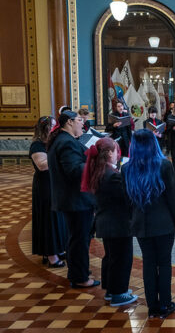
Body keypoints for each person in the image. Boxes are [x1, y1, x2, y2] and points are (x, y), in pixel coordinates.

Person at [122, 129, 175, 318]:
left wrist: (131, 220)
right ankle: (165, 304)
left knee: (148, 263)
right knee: (164, 263)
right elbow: (172, 197)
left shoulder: (126, 168)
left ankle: (152, 307)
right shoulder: (164, 165)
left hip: (141, 224)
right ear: (153, 143)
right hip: (164, 222)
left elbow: (127, 200)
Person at [81, 138, 138, 307]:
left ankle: (111, 290)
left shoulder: (100, 171)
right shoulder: (112, 176)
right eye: (116, 151)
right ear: (109, 153)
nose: (118, 154)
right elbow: (125, 198)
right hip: (117, 223)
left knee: (112, 257)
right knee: (122, 258)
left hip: (106, 222)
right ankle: (119, 294)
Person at [47, 111, 99, 288]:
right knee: (78, 239)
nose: (82, 124)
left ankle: (79, 271)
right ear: (69, 122)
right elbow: (74, 170)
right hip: (76, 199)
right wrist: (95, 163)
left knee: (78, 238)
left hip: (73, 198)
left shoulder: (63, 140)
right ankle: (80, 277)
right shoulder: (66, 142)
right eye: (79, 120)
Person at [30, 116, 67, 268]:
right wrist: (59, 155)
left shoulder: (50, 143)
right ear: (45, 128)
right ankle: (51, 255)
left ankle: (56, 248)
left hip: (54, 183)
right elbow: (42, 165)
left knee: (57, 217)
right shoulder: (37, 145)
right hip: (44, 185)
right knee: (48, 219)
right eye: (52, 126)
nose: (55, 128)